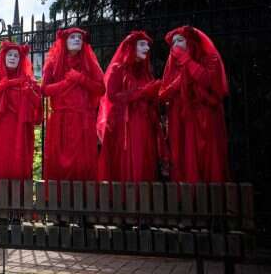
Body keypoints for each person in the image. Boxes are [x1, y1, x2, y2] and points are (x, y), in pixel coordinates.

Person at [159, 26, 229, 183]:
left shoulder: (210, 58)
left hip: (204, 115)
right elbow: (162, 94)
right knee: (185, 155)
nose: (176, 44)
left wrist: (187, 61)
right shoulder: (173, 65)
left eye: (180, 40)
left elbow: (209, 81)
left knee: (208, 155)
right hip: (181, 117)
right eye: (173, 42)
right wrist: (175, 86)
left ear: (190, 41)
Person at [97, 31, 163, 183]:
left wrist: (154, 94)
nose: (146, 48)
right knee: (127, 161)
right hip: (124, 126)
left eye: (147, 45)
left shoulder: (146, 71)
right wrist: (141, 93)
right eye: (142, 44)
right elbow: (112, 96)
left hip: (144, 124)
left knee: (144, 158)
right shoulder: (117, 69)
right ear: (131, 47)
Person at [42, 27, 104, 182]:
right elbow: (44, 90)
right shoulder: (53, 63)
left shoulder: (89, 63)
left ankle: (85, 199)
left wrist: (81, 79)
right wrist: (66, 83)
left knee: (83, 162)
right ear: (64, 41)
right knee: (59, 162)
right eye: (72, 37)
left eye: (80, 38)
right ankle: (58, 200)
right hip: (61, 120)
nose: (77, 39)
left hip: (83, 120)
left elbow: (101, 88)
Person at [0, 41, 41, 182]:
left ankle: (19, 197)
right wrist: (5, 84)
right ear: (3, 57)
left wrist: (29, 92)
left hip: (20, 129)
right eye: (10, 55)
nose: (13, 58)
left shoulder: (28, 80)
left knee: (18, 161)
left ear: (21, 60)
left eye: (16, 56)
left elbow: (38, 102)